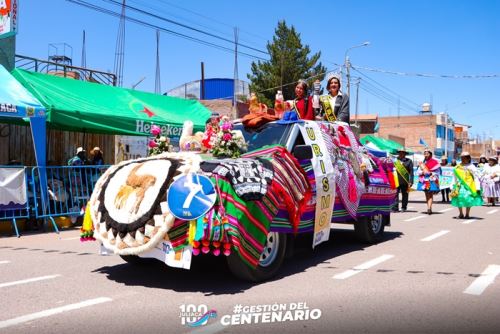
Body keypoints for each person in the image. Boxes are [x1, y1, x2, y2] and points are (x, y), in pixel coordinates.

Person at [451, 152, 483, 219]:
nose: (463, 159)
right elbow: (454, 176)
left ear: (468, 159)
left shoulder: (471, 167)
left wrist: (477, 186)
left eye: (465, 158)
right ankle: (461, 213)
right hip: (459, 186)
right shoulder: (458, 167)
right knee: (459, 198)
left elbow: (476, 176)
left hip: (469, 186)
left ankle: (467, 214)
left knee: (468, 199)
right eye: (462, 158)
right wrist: (453, 185)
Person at [416, 150, 441, 214]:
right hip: (424, 180)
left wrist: (431, 173)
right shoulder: (422, 163)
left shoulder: (435, 162)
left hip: (431, 180)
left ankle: (429, 208)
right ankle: (428, 207)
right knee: (426, 194)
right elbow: (418, 172)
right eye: (425, 154)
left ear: (430, 155)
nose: (426, 155)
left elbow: (438, 172)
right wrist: (422, 172)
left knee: (430, 194)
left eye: (427, 153)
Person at [393, 148, 414, 212]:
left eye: (403, 153)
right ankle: (395, 208)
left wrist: (411, 181)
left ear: (405, 154)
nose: (401, 154)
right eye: (400, 152)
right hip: (396, 180)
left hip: (405, 180)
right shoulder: (394, 160)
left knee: (405, 194)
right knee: (395, 195)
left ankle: (404, 207)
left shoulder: (409, 161)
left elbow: (411, 172)